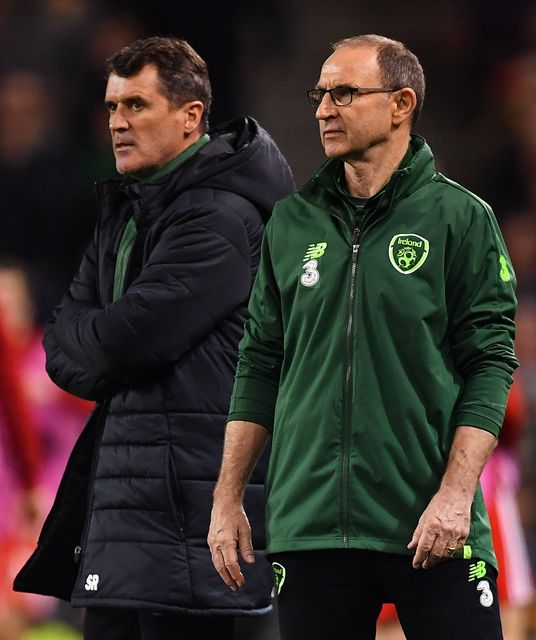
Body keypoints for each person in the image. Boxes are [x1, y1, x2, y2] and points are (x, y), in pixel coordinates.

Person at [208, 34, 518, 640]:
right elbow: (259, 364)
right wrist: (227, 498)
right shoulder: (290, 223)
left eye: (344, 93)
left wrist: (456, 496)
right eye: (319, 94)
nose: (324, 108)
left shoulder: (461, 219)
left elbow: (491, 363)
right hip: (311, 527)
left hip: (431, 523)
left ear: (401, 103)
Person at [14, 35, 294, 640]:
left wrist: (99, 344)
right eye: (113, 107)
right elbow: (62, 345)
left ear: (191, 116)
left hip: (195, 534)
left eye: (137, 105)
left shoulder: (220, 216)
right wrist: (99, 343)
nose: (118, 122)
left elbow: (121, 343)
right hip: (131, 526)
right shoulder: (128, 208)